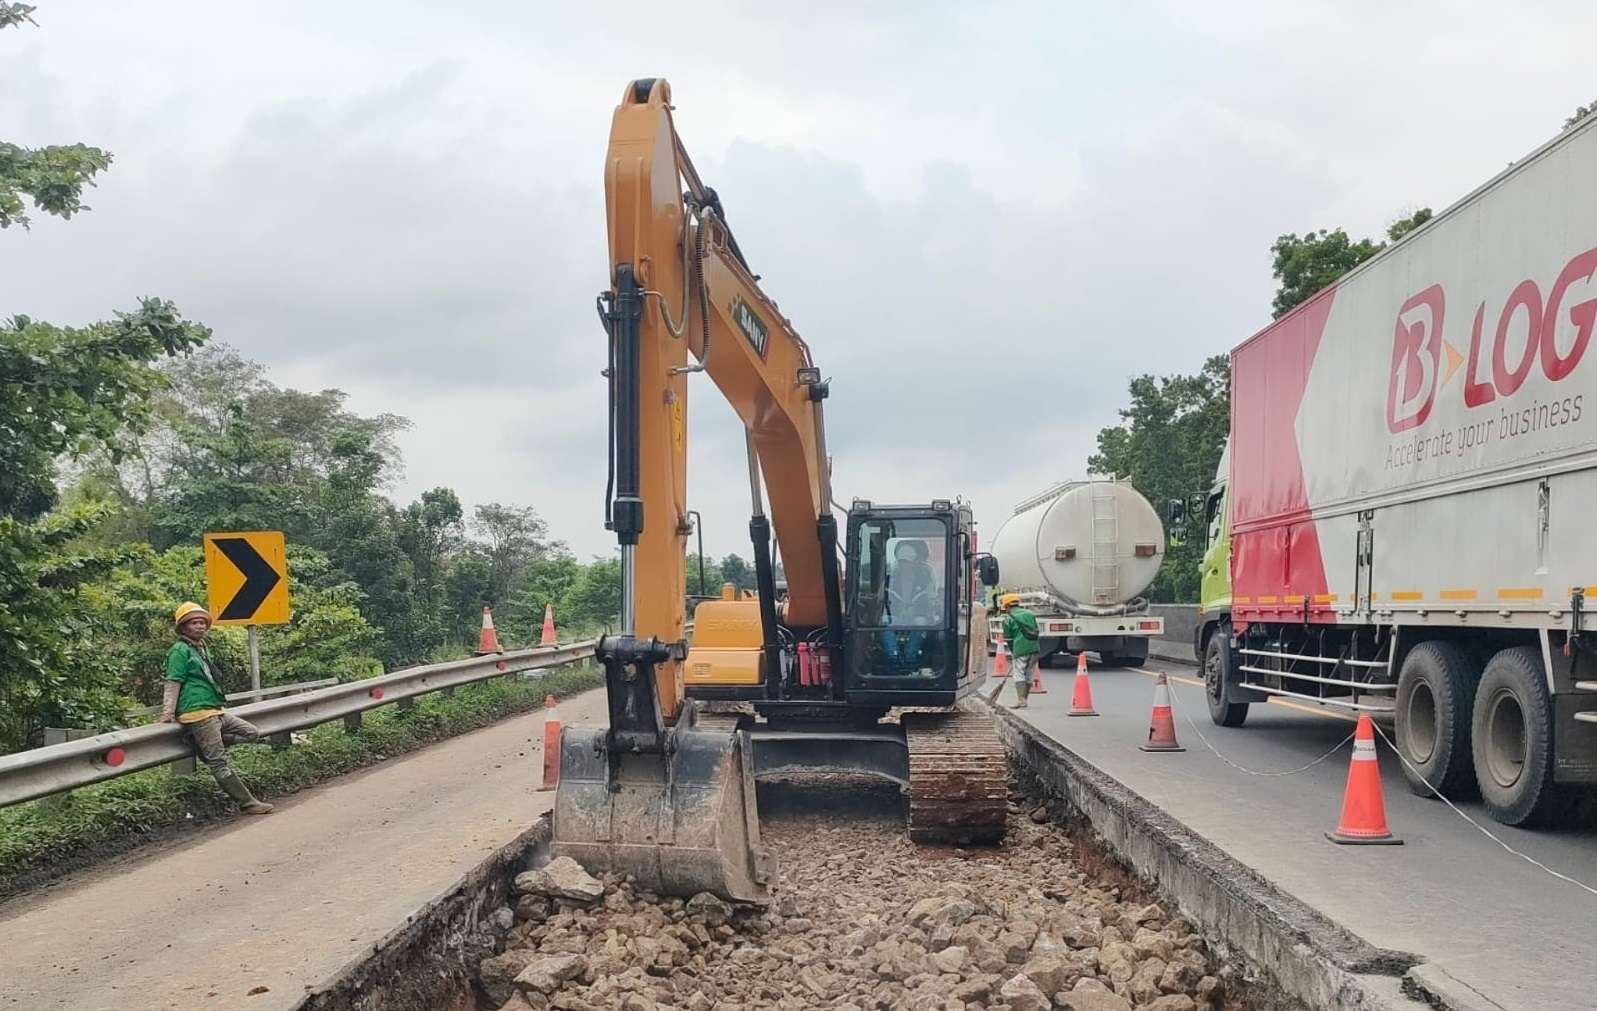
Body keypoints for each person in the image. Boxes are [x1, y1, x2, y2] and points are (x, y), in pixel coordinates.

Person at [160, 602, 274, 815]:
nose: (200, 626)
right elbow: (173, 681)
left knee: (252, 732)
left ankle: (201, 742)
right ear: (183, 627)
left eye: (202, 622)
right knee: (218, 761)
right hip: (197, 711)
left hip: (214, 709)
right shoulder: (179, 651)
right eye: (194, 623)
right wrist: (167, 713)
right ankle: (248, 803)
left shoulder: (200, 648)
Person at [994, 593, 1040, 708]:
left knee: (1019, 673)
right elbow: (1036, 630)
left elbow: (1009, 639)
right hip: (1034, 648)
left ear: (1007, 606)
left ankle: (1021, 700)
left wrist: (1013, 651)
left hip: (1020, 649)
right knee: (1029, 673)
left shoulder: (1008, 619)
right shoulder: (1030, 614)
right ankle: (1024, 699)